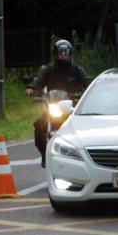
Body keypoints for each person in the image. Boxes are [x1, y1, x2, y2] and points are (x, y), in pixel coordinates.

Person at [25, 39, 93, 167]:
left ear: (70, 53)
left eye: (66, 52)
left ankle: (86, 157)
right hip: (53, 106)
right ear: (56, 54)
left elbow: (88, 81)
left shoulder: (76, 70)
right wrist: (32, 87)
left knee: (85, 127)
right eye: (61, 52)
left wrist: (93, 89)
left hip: (72, 109)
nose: (64, 55)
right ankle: (44, 154)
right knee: (39, 123)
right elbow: (39, 78)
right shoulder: (48, 69)